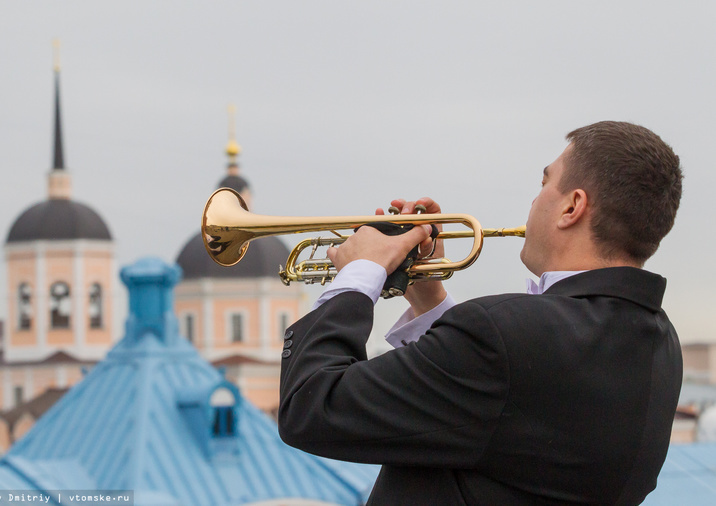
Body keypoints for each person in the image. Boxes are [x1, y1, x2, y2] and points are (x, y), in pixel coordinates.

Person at [277, 121, 684, 505]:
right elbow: (505, 409)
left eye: (545, 183)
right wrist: (428, 298)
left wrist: (358, 273)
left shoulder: (502, 334)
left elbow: (310, 407)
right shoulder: (660, 346)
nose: (534, 199)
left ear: (572, 206)